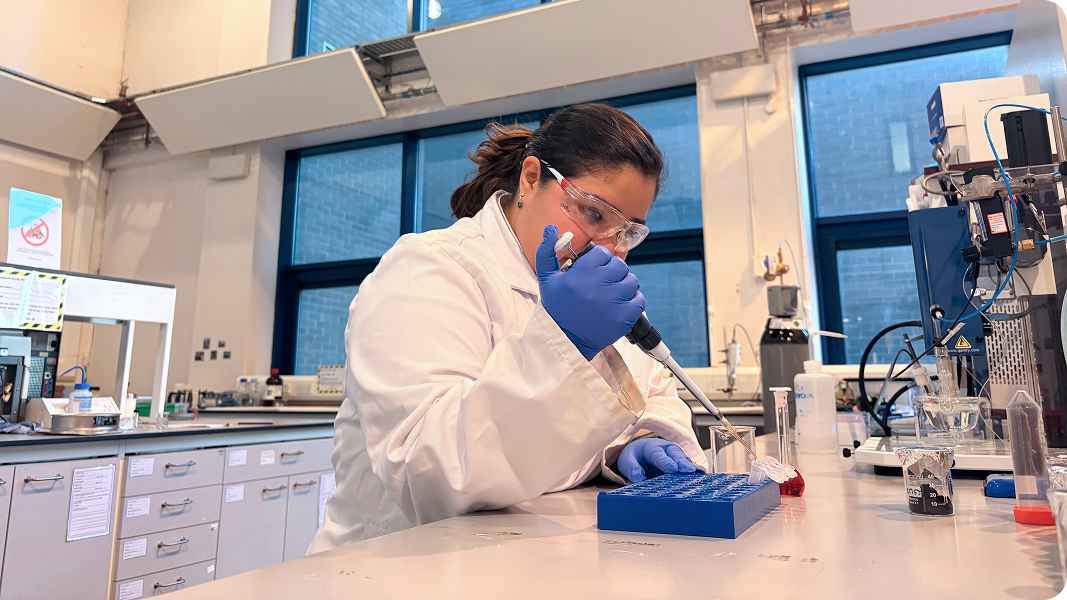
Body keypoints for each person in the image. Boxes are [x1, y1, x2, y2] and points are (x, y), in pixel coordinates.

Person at [309, 103, 708, 553]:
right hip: (396, 567)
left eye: (627, 232)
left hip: (528, 558)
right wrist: (565, 344)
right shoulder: (429, 268)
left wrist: (642, 439)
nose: (610, 249)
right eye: (594, 215)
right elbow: (430, 470)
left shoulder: (578, 290)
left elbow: (652, 390)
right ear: (531, 177)